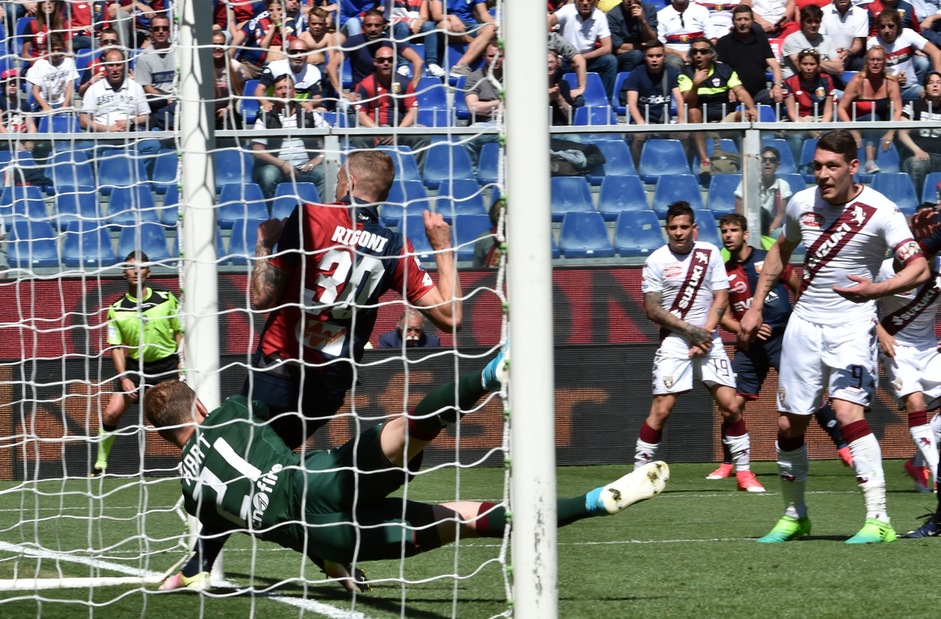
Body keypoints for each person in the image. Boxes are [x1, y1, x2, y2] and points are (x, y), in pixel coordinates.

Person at [147, 354, 671, 590]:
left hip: (329, 538)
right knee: (405, 430)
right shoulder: (233, 411)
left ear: (163, 436)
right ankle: (490, 373)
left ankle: (594, 503)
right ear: (199, 407)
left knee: (465, 520)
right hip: (315, 479)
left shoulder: (191, 492)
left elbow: (215, 538)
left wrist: (189, 571)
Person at [738, 129, 930, 544]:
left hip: (852, 325)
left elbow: (919, 268)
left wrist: (876, 290)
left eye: (833, 167)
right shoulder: (801, 203)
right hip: (804, 324)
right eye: (817, 166)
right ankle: (795, 516)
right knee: (788, 424)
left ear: (853, 167)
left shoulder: (881, 211)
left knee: (847, 413)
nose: (823, 175)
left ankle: (878, 519)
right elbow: (781, 249)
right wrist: (755, 306)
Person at [245, 149, 462, 447]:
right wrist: (443, 247)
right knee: (277, 454)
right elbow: (451, 317)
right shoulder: (395, 248)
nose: (337, 187)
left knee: (243, 453)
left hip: (278, 370)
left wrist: (264, 244)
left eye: (338, 180)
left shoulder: (309, 217)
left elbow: (261, 298)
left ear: (350, 183)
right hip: (328, 387)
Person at [707, 214, 851, 482]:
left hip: (783, 339)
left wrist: (799, 323)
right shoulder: (723, 272)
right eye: (724, 231)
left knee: (807, 392)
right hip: (749, 346)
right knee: (731, 404)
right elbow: (723, 315)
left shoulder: (768, 259)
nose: (728, 235)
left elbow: (799, 287)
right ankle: (728, 463)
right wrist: (742, 328)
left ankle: (843, 445)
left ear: (745, 234)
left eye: (734, 230)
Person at [633, 202, 761, 491]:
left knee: (731, 405)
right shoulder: (655, 260)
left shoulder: (709, 253)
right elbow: (652, 309)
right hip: (675, 340)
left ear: (695, 229)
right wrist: (691, 331)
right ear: (666, 229)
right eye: (673, 227)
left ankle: (744, 474)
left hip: (709, 337)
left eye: (684, 227)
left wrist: (705, 335)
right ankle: (637, 476)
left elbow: (721, 298)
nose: (679, 232)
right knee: (662, 410)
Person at [92, 251, 182, 476]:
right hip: (136, 368)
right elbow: (116, 347)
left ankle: (194, 460)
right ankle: (100, 465)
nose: (135, 271)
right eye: (131, 267)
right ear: (124, 272)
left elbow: (179, 331)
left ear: (148, 272)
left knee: (178, 417)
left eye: (141, 267)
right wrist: (124, 377)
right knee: (111, 413)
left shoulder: (166, 299)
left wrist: (183, 361)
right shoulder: (116, 309)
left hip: (168, 365)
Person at [875, 205, 941, 496]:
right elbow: (860, 305)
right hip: (897, 348)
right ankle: (937, 474)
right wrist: (880, 332)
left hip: (929, 348)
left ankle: (917, 462)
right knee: (915, 403)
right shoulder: (886, 268)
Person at [679, 37, 757, 175]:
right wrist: (696, 84)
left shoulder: (724, 70)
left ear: (710, 54)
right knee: (693, 112)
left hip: (724, 122)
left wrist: (752, 108)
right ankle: (705, 161)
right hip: (701, 124)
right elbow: (689, 103)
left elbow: (740, 92)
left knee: (746, 115)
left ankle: (750, 161)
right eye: (695, 52)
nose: (698, 55)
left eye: (703, 51)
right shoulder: (685, 73)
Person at [78, 47, 161, 171]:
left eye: (118, 64)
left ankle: (134, 175)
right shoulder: (94, 89)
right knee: (85, 147)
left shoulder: (136, 87)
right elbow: (83, 121)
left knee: (152, 145)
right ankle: (103, 177)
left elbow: (146, 117)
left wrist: (131, 122)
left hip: (131, 137)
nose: (115, 69)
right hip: (102, 138)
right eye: (111, 65)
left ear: (125, 66)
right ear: (104, 67)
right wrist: (107, 129)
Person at [250, 74, 329, 201]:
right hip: (277, 168)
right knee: (268, 175)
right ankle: (271, 213)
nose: (284, 92)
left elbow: (332, 139)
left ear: (294, 92)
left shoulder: (308, 114)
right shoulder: (266, 116)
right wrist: (282, 165)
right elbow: (257, 150)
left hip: (306, 169)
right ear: (274, 94)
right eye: (279, 88)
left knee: (324, 173)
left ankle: (322, 211)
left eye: (287, 88)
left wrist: (318, 158)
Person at [326, 9, 424, 107]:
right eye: (369, 25)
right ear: (363, 27)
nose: (373, 29)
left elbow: (418, 60)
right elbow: (331, 66)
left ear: (383, 27)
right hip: (360, 94)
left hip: (387, 94)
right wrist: (341, 92)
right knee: (342, 105)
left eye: (377, 25)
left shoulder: (390, 41)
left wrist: (412, 88)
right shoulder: (354, 42)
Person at [352, 45, 428, 161]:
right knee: (357, 136)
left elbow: (413, 111)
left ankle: (413, 170)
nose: (386, 63)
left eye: (390, 60)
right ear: (375, 62)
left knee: (423, 133)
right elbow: (360, 114)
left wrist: (397, 132)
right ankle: (366, 169)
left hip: (399, 131)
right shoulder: (365, 85)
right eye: (382, 60)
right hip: (373, 131)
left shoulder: (405, 83)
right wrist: (378, 131)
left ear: (395, 62)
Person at [837, 45, 902, 176]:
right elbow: (841, 108)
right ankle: (869, 162)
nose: (875, 63)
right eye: (872, 59)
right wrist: (853, 129)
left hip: (882, 127)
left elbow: (898, 109)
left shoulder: (890, 82)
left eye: (879, 60)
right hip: (858, 123)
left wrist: (891, 132)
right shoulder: (858, 81)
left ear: (884, 62)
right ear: (867, 62)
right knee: (873, 118)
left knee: (879, 121)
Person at [623, 39, 684, 163]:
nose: (654, 59)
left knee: (685, 136)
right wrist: (641, 124)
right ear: (645, 57)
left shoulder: (670, 72)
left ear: (664, 56)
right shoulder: (636, 74)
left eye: (658, 56)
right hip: (642, 122)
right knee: (638, 137)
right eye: (651, 56)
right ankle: (636, 169)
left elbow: (679, 99)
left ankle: (683, 168)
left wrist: (682, 122)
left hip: (664, 123)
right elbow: (631, 104)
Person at [549, 0, 619, 103]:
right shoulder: (567, 10)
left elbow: (607, 47)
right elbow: (547, 22)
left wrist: (581, 58)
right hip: (565, 60)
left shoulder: (599, 16)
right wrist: (552, 52)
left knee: (610, 61)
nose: (585, 3)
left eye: (589, 0)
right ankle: (553, 99)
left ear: (595, 2)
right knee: (551, 63)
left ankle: (606, 102)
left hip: (587, 59)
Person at [715, 5, 784, 108]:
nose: (743, 23)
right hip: (735, 94)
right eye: (739, 19)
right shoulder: (723, 42)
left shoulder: (761, 40)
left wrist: (777, 86)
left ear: (752, 21)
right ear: (733, 22)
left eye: (746, 19)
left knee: (783, 96)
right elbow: (718, 70)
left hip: (760, 93)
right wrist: (729, 88)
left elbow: (776, 67)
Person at [868, 9, 941, 101]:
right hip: (885, 91)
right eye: (882, 27)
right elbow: (871, 75)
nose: (887, 30)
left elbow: (936, 52)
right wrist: (894, 80)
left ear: (898, 26)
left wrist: (938, 80)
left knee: (930, 93)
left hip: (909, 89)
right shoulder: (872, 44)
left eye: (891, 26)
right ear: (878, 29)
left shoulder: (907, 34)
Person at [898, 72, 941, 202]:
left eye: (939, 82)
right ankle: (918, 205)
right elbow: (902, 133)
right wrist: (917, 150)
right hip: (918, 156)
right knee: (918, 166)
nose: (935, 85)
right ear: (925, 88)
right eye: (931, 83)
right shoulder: (913, 106)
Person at [734, 146, 792, 237]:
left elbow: (779, 216)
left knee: (781, 233)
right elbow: (739, 213)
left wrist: (770, 231)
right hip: (749, 227)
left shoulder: (783, 186)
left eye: (772, 160)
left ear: (777, 165)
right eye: (764, 160)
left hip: (771, 228)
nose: (767, 163)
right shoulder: (747, 183)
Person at [431, 0, 496, 79]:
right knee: (445, 26)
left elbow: (484, 14)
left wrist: (497, 23)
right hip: (448, 23)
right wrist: (452, 17)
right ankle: (478, 43)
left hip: (470, 26)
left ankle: (460, 66)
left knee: (491, 28)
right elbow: (436, 15)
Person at [255, 37, 323, 113]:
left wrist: (310, 104)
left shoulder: (313, 72)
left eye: (302, 52)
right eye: (294, 52)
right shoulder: (274, 67)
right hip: (273, 111)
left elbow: (317, 97)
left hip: (298, 113)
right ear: (288, 53)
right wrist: (265, 103)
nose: (298, 55)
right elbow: (259, 90)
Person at [229, 0, 294, 78]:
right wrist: (274, 25)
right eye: (271, 10)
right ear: (267, 10)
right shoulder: (262, 21)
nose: (275, 13)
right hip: (250, 66)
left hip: (274, 69)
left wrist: (279, 24)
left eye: (279, 9)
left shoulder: (289, 23)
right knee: (233, 69)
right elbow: (264, 46)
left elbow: (287, 45)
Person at [781, 4, 845, 81]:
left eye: (817, 21)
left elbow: (839, 68)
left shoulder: (827, 40)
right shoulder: (792, 40)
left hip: (822, 83)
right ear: (802, 22)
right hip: (795, 84)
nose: (813, 25)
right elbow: (804, 70)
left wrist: (813, 62)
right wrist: (827, 64)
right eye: (809, 21)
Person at [134, 13, 176, 130]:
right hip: (158, 101)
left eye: (164, 28)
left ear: (169, 31)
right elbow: (146, 86)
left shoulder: (179, 52)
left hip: (178, 99)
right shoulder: (144, 56)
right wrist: (165, 98)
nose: (161, 32)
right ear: (151, 32)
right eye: (157, 29)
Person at [25, 32, 78, 113]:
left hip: (62, 103)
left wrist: (65, 105)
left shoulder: (68, 62)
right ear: (47, 49)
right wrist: (46, 107)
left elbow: (69, 87)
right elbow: (35, 91)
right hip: (44, 103)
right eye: (52, 50)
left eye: (59, 50)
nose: (55, 53)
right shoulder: (40, 65)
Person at [657, 0, 711, 72]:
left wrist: (696, 52)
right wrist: (679, 53)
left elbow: (711, 38)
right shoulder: (662, 14)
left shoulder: (701, 11)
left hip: (698, 50)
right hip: (673, 53)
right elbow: (660, 46)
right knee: (674, 62)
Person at [607, 0, 659, 73]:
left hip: (646, 52)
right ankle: (625, 78)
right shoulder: (613, 15)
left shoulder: (649, 9)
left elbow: (652, 41)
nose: (629, 0)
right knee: (637, 55)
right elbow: (619, 48)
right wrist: (645, 47)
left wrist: (643, 21)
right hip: (623, 57)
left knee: (660, 57)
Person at [211, 30, 246, 131]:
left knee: (232, 121)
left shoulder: (235, 67)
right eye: (214, 45)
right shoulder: (203, 68)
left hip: (228, 108)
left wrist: (228, 108)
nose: (218, 48)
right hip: (207, 108)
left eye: (221, 45)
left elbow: (239, 93)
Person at [820, 0, 868, 71]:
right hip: (828, 56)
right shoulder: (823, 12)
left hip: (850, 56)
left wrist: (847, 52)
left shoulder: (861, 13)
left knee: (861, 64)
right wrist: (833, 53)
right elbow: (821, 39)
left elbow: (859, 43)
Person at [77, 27, 121, 98]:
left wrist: (132, 81)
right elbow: (81, 93)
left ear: (118, 45)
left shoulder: (125, 64)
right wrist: (91, 82)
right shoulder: (93, 65)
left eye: (113, 42)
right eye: (106, 42)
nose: (109, 44)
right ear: (100, 46)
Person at [548, 50, 576, 126]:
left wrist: (559, 97)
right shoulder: (534, 85)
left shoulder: (563, 84)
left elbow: (569, 114)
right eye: (546, 62)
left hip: (560, 127)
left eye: (551, 62)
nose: (549, 66)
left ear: (557, 64)